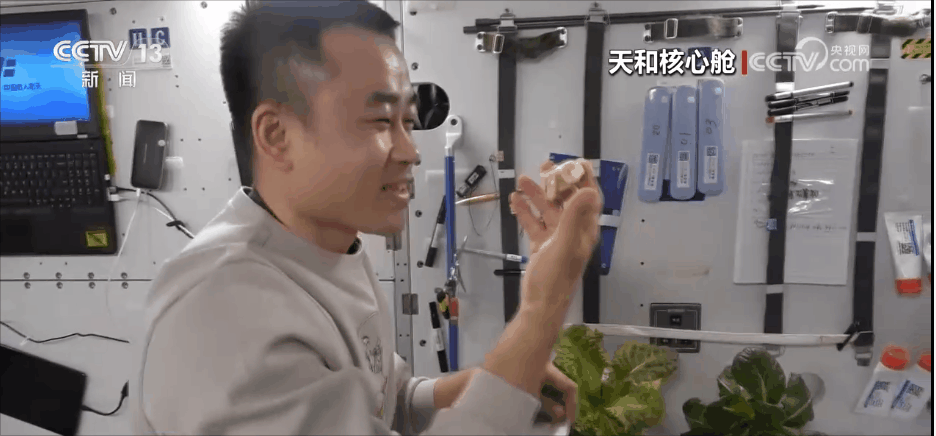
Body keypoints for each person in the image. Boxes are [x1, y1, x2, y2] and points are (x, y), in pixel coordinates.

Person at [132, 1, 603, 435]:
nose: (410, 152)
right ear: (276, 135)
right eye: (380, 121)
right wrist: (541, 309)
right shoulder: (222, 312)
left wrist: (492, 384)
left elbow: (383, 401)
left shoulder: (330, 252)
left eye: (407, 123)